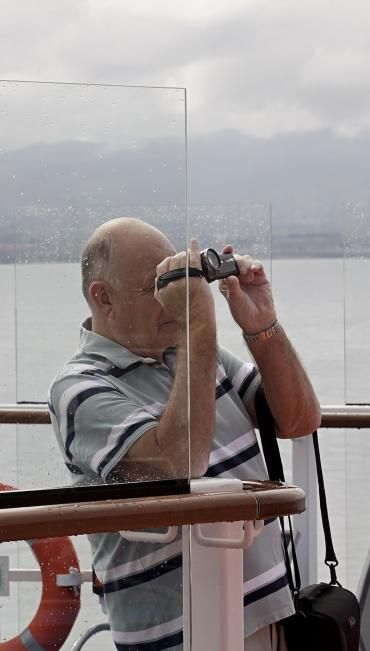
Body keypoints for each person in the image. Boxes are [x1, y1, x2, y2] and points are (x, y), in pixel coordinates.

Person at [48, 218, 321, 651]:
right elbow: (179, 465)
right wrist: (198, 324)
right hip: (178, 636)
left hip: (267, 616)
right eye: (158, 287)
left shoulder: (195, 354)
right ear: (103, 297)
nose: (173, 302)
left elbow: (299, 420)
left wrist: (261, 326)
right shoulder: (78, 389)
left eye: (175, 283)